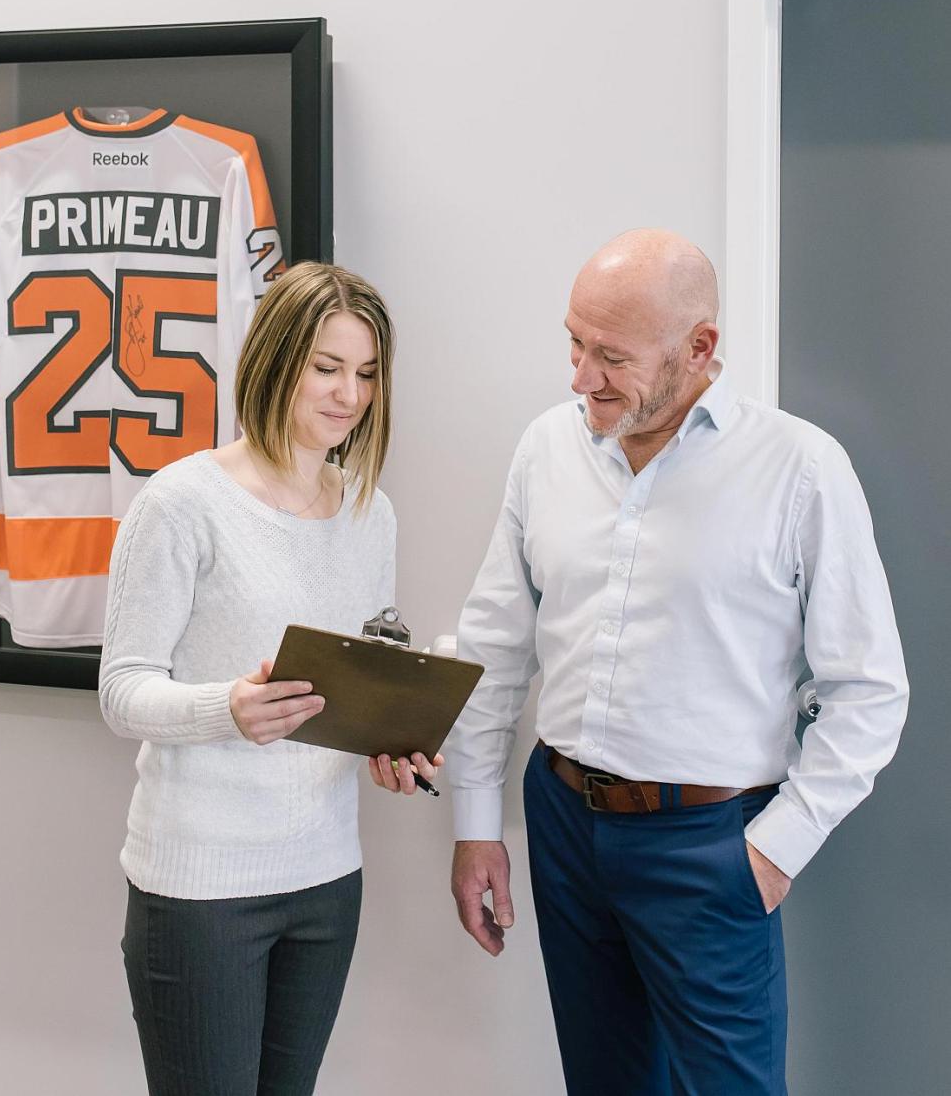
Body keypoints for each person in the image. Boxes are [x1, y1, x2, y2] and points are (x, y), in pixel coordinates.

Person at [446, 229, 908, 1095]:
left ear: (700, 349)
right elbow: (495, 645)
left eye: (611, 357)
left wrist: (773, 851)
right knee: (604, 1082)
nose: (581, 376)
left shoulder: (800, 470)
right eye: (574, 344)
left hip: (712, 843)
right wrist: (476, 821)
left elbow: (869, 689)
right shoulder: (546, 449)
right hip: (564, 822)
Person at [99, 261, 440, 1096]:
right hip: (202, 888)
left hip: (325, 879)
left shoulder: (370, 510)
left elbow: (353, 678)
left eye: (365, 374)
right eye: (326, 368)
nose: (348, 395)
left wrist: (388, 741)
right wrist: (230, 708)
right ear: (275, 361)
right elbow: (122, 690)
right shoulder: (182, 503)